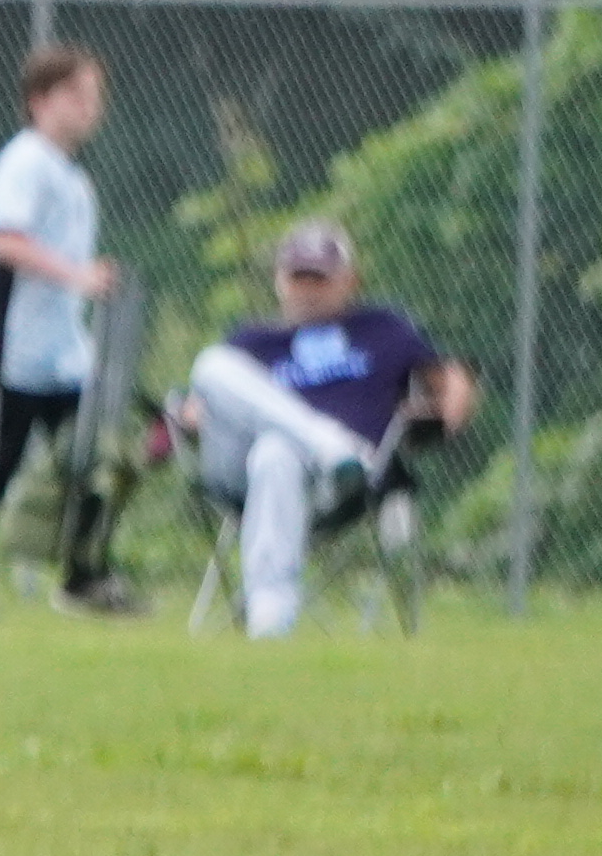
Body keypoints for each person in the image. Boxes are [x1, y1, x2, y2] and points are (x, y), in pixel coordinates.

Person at [174, 221, 473, 640]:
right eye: (298, 277)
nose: (307, 289)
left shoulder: (382, 328)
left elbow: (448, 379)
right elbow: (194, 411)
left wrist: (447, 411)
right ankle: (329, 444)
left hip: (345, 486)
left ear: (350, 280)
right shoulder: (252, 341)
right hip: (251, 481)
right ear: (280, 281)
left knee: (276, 451)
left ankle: (270, 621)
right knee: (213, 367)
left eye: (320, 278)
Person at [0, 44, 138, 618]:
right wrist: (79, 275)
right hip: (11, 352)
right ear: (41, 100)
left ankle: (83, 577)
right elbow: (6, 241)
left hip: (62, 354)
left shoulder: (72, 179)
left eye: (95, 96)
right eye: (78, 95)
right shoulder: (24, 162)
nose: (91, 107)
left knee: (99, 457)